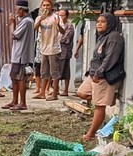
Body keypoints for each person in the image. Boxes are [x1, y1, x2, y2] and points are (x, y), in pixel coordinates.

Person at [76, 13, 125, 141]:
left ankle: (91, 134)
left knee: (99, 105)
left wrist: (99, 73)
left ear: (110, 23)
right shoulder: (103, 36)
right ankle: (107, 98)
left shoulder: (114, 37)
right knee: (81, 92)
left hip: (104, 76)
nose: (99, 24)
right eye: (98, 21)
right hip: (95, 74)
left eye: (102, 21)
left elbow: (110, 59)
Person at [2, 0, 34, 111]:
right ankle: (15, 101)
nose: (16, 12)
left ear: (21, 10)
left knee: (20, 79)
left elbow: (14, 35)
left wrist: (11, 24)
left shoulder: (27, 21)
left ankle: (22, 103)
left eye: (17, 9)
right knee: (14, 77)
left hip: (21, 54)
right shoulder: (25, 21)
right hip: (17, 53)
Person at [34, 0, 64, 101]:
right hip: (44, 49)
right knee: (44, 72)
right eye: (44, 5)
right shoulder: (39, 18)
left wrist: (58, 25)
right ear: (41, 7)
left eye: (48, 5)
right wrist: (40, 19)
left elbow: (63, 31)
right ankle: (42, 93)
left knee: (54, 73)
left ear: (52, 7)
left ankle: (55, 94)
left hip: (54, 49)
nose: (46, 7)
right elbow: (34, 28)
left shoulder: (56, 17)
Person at [58, 9, 73, 96]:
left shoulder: (69, 26)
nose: (60, 17)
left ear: (66, 16)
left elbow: (64, 38)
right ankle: (56, 89)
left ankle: (66, 90)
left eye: (62, 15)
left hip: (65, 51)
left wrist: (55, 40)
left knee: (66, 71)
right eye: (59, 15)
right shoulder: (59, 24)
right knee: (56, 70)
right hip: (57, 50)